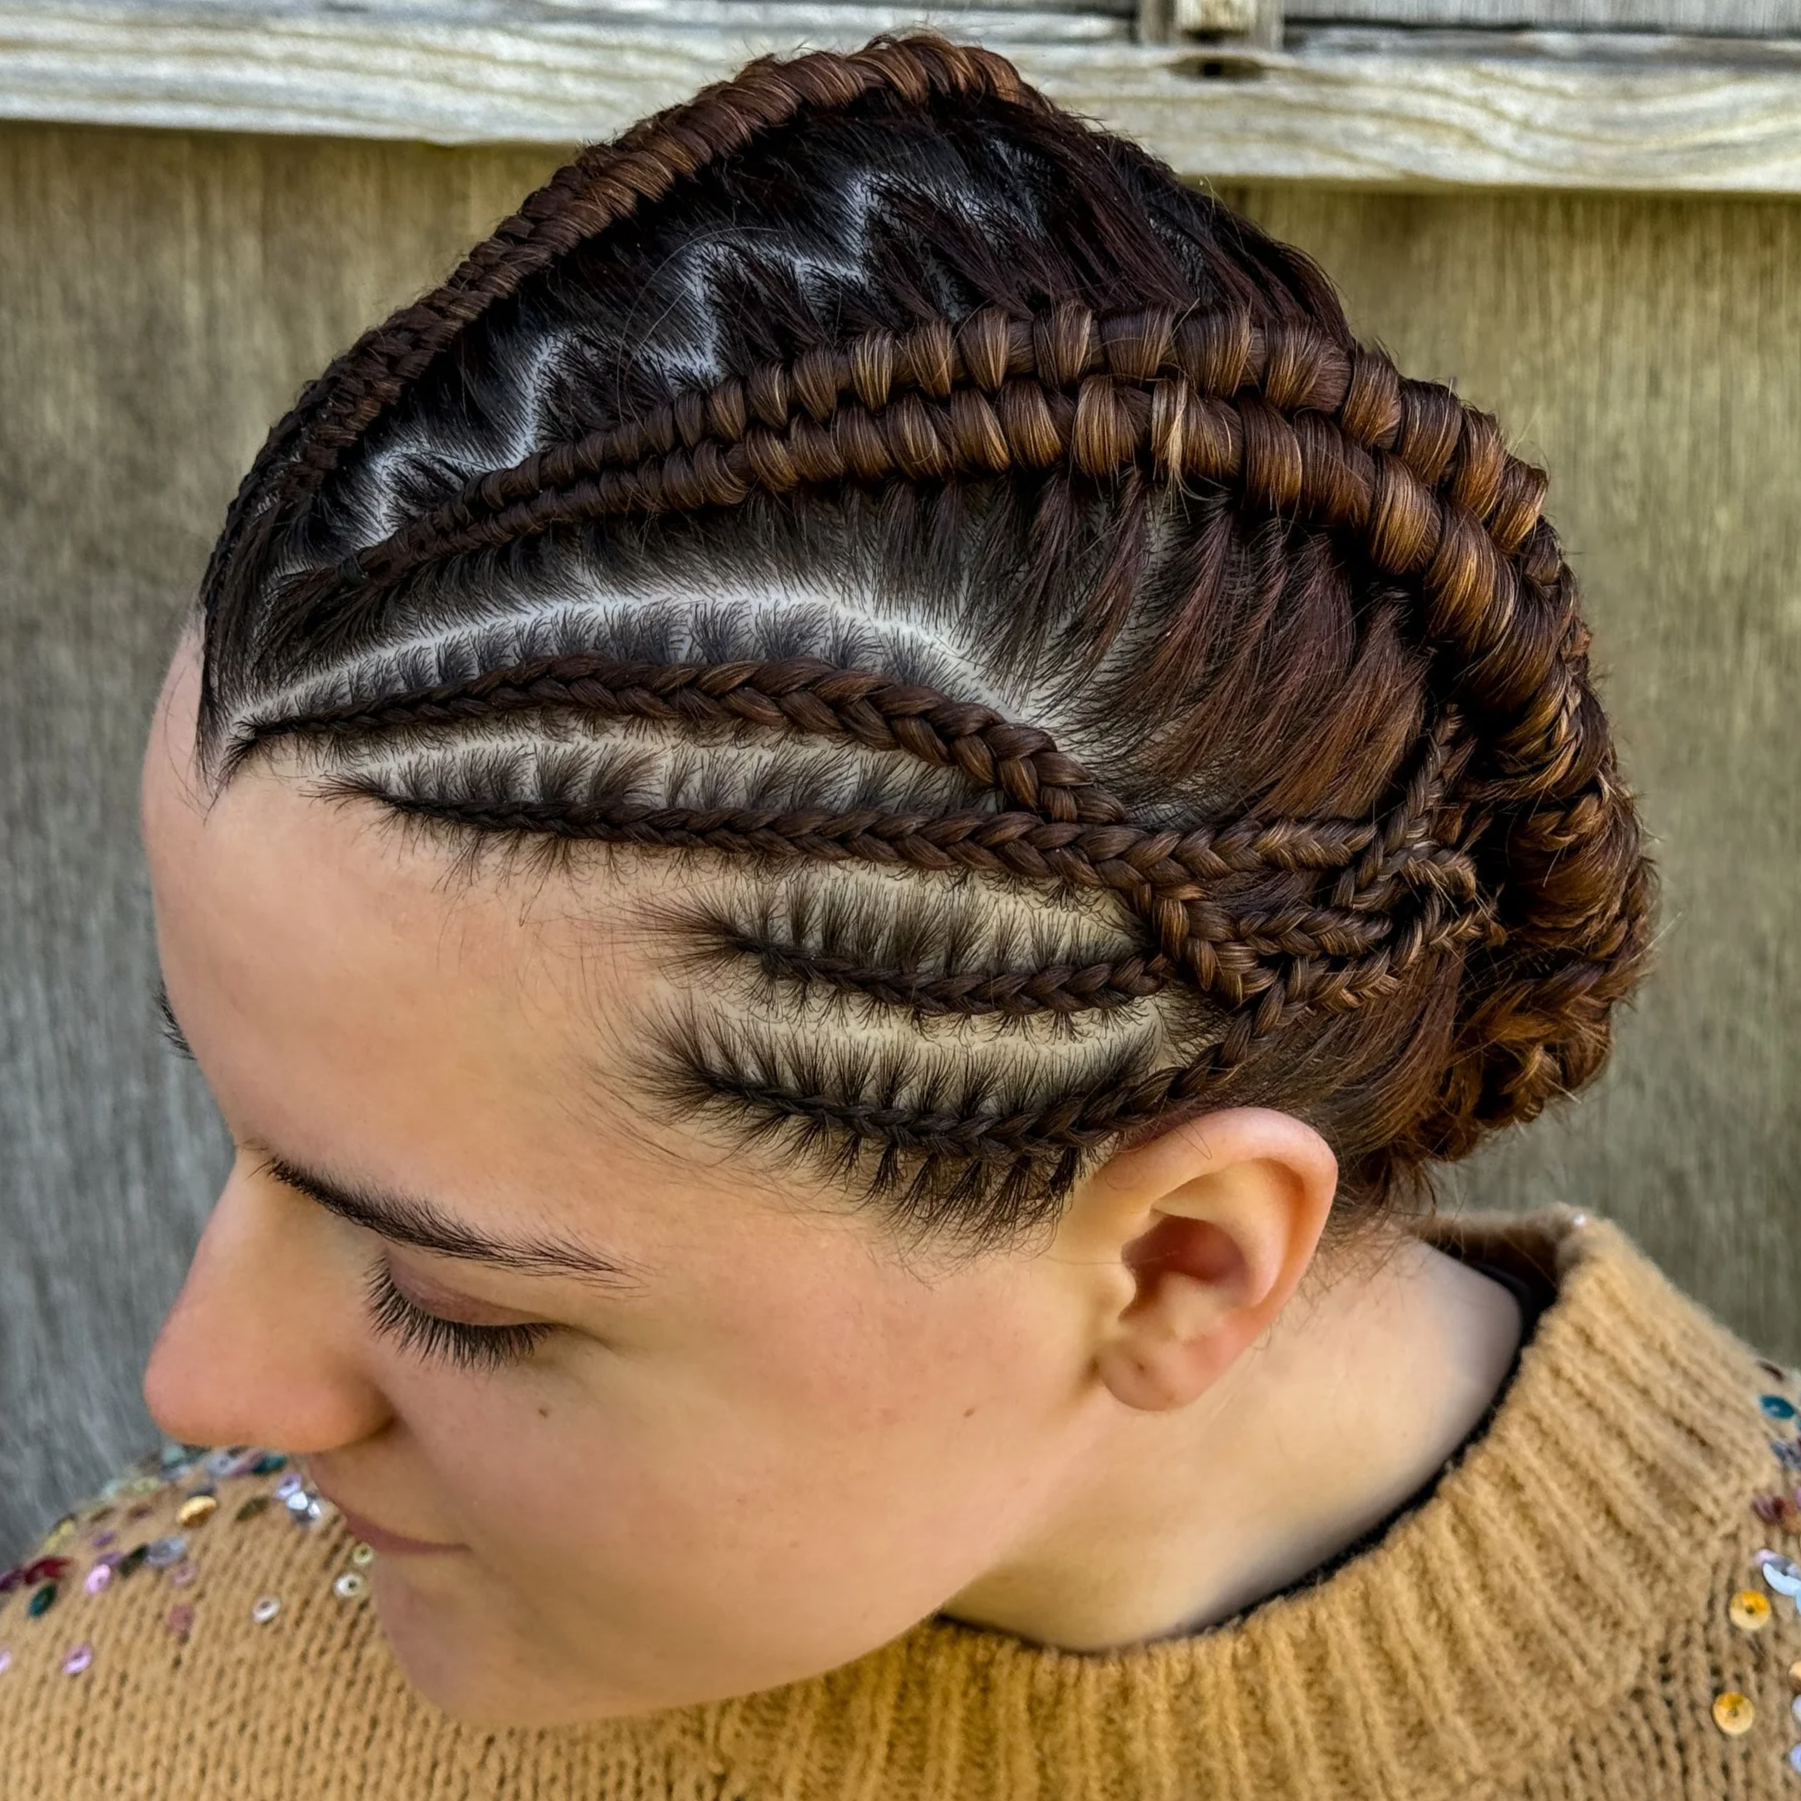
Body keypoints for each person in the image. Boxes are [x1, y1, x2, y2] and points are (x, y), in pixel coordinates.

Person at [2, 33, 1795, 1799]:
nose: (204, 1381)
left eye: (448, 1295)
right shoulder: (106, 1710)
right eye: (241, 1137)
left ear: (1183, 1261)